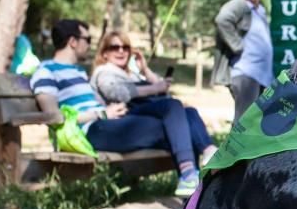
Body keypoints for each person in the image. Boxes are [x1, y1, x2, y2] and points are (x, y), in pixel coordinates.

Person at [29, 19, 202, 197]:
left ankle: (191, 186)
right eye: (87, 40)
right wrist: (102, 113)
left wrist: (109, 110)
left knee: (181, 116)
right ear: (73, 42)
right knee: (180, 126)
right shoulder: (46, 72)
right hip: (89, 133)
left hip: (107, 123)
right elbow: (54, 118)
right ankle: (192, 184)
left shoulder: (78, 72)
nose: (89, 45)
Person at [91, 31, 218, 168]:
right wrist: (155, 89)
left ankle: (207, 152)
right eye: (114, 47)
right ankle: (189, 171)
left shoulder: (130, 73)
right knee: (174, 110)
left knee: (189, 112)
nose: (121, 51)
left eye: (126, 47)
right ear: (104, 53)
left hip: (142, 115)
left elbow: (163, 88)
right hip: (121, 121)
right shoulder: (104, 72)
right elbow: (117, 93)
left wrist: (145, 70)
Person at [212, 0, 274, 123]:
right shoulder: (239, 4)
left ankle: (248, 147)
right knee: (244, 121)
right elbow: (222, 20)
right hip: (246, 73)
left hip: (259, 74)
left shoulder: (259, 8)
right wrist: (237, 45)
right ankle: (232, 148)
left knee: (254, 122)